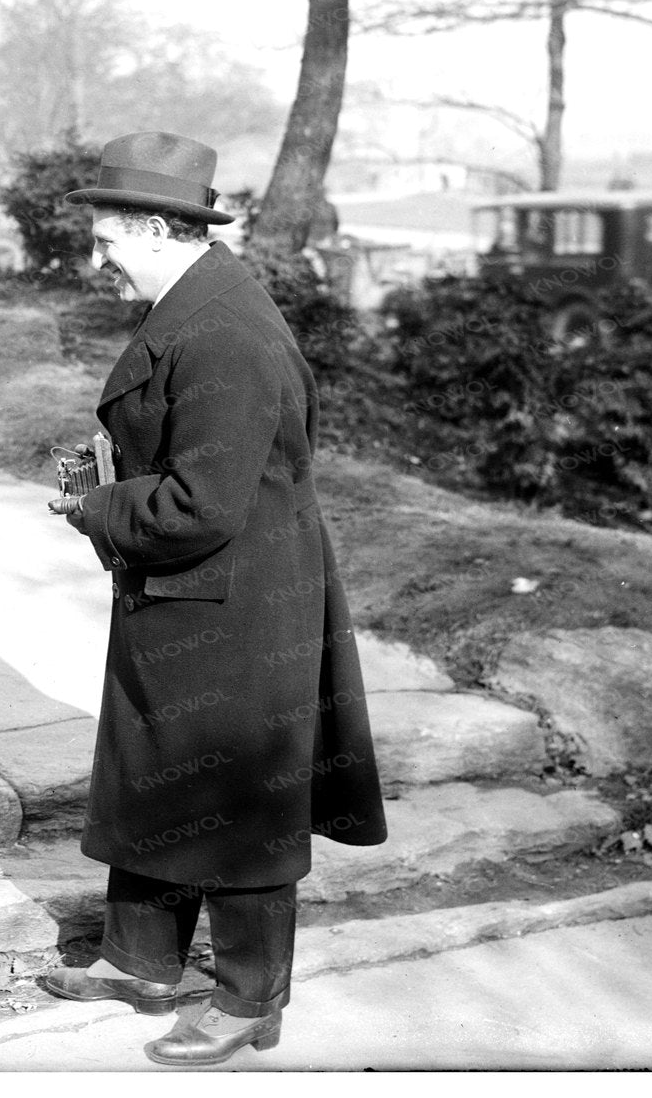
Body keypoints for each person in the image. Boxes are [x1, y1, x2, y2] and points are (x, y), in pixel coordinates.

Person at [37, 132, 387, 1067]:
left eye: (108, 240)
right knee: (163, 770)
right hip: (196, 598)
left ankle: (249, 999)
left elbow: (202, 505)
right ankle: (143, 964)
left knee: (239, 799)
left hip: (238, 613)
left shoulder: (223, 329)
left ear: (157, 227)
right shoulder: (197, 303)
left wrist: (97, 506)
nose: (96, 260)